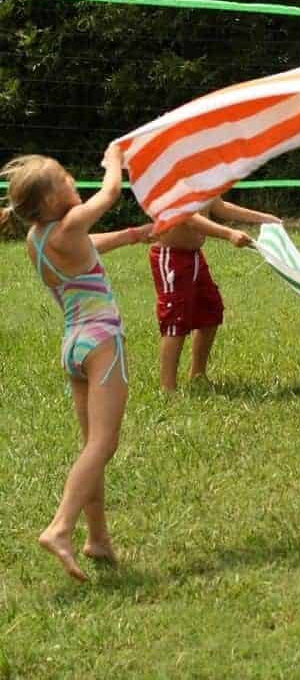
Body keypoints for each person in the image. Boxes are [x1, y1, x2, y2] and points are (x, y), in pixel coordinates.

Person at [0, 146, 152, 581]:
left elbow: (86, 244)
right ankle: (61, 527)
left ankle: (98, 539)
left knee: (92, 448)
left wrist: (129, 236)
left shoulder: (39, 238)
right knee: (103, 445)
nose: (72, 180)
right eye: (65, 178)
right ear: (50, 201)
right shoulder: (70, 223)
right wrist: (113, 163)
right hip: (104, 342)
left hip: (73, 345)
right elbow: (110, 195)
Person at [150, 196, 282, 392]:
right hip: (171, 257)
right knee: (175, 320)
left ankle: (198, 375)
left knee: (210, 311)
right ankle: (167, 388)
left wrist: (264, 218)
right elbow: (188, 217)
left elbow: (220, 207)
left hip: (194, 256)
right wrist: (228, 233)